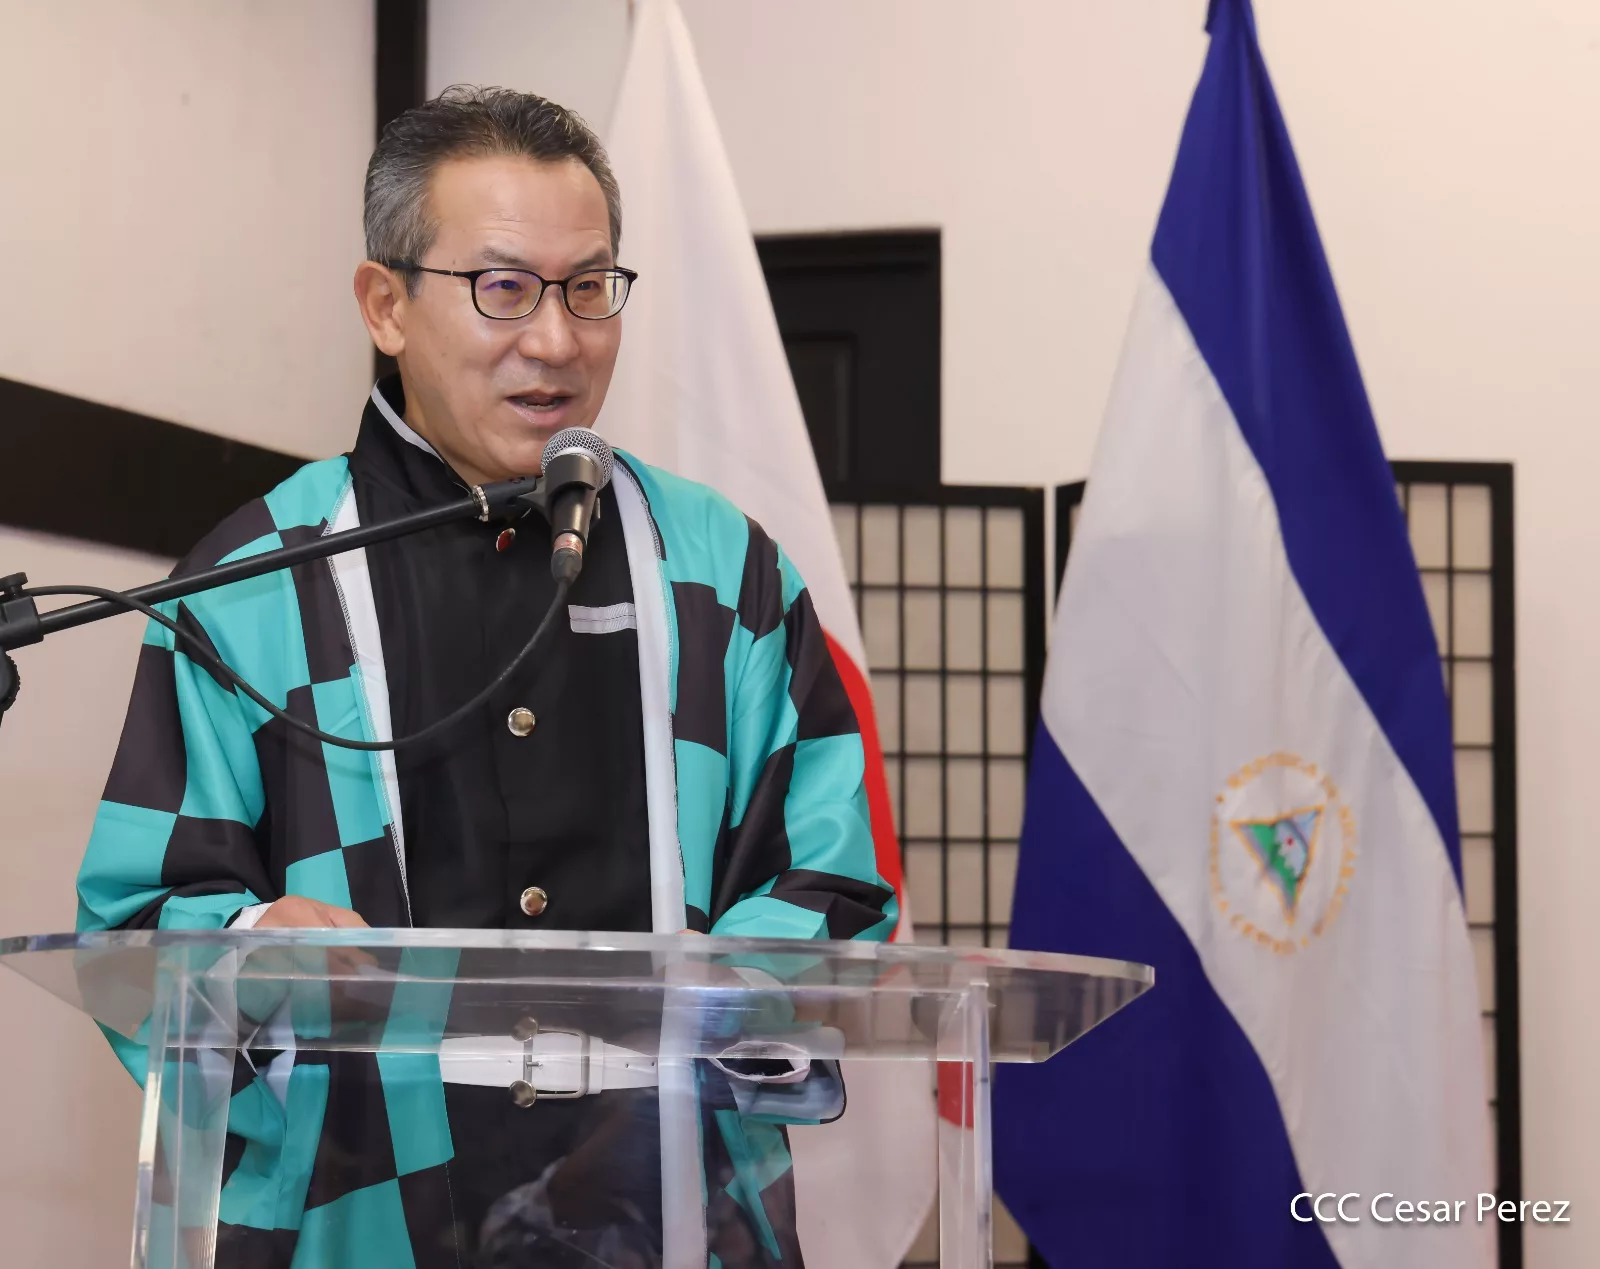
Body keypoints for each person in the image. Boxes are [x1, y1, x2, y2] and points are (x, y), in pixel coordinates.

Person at [75, 85, 896, 1268]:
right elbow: (139, 923)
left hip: (666, 1209)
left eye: (589, 288)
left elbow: (833, 878)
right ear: (385, 304)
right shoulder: (253, 582)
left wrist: (714, 1016)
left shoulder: (722, 569)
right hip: (355, 1215)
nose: (557, 341)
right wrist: (255, 944)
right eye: (504, 287)